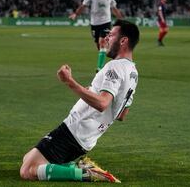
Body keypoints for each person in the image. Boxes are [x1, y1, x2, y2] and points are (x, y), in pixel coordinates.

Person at [20, 20, 139, 183]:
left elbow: (102, 104)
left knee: (27, 171)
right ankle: (76, 167)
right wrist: (91, 91)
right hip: (87, 138)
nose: (107, 39)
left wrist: (69, 81)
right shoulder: (133, 71)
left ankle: (87, 174)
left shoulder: (115, 67)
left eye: (111, 35)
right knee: (28, 158)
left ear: (123, 40)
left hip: (74, 130)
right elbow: (122, 114)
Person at [69, 0, 123, 72]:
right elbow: (83, 5)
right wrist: (76, 14)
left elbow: (114, 8)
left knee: (102, 42)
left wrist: (121, 19)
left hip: (106, 22)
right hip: (94, 23)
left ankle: (100, 68)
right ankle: (112, 56)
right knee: (99, 46)